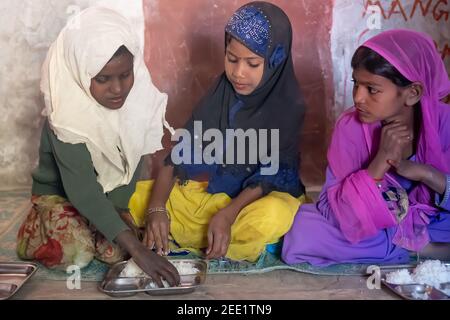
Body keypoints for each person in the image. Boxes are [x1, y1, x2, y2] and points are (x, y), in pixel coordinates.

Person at [129, 1, 307, 262]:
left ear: (274, 62)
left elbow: (270, 176)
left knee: (271, 216)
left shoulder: (289, 105)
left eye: (252, 64)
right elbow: (179, 155)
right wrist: (156, 208)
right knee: (137, 196)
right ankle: (217, 241)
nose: (238, 73)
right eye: (231, 59)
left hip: (261, 198)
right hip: (219, 196)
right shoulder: (222, 91)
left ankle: (200, 237)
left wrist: (228, 214)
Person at [16, 7, 180, 287]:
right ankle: (31, 234)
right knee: (77, 253)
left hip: (106, 197)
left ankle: (98, 225)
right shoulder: (66, 112)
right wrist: (138, 250)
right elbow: (82, 189)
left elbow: (131, 164)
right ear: (81, 72)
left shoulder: (137, 97)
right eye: (103, 79)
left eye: (124, 75)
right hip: (61, 197)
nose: (117, 89)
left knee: (117, 251)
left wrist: (120, 214)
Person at [282, 29, 450, 266]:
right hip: (377, 226)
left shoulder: (445, 122)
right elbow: (333, 211)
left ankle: (409, 246)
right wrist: (379, 164)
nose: (358, 98)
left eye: (372, 89)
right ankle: (423, 249)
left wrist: (427, 174)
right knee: (304, 230)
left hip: (433, 223)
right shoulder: (351, 127)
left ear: (412, 93)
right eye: (356, 84)